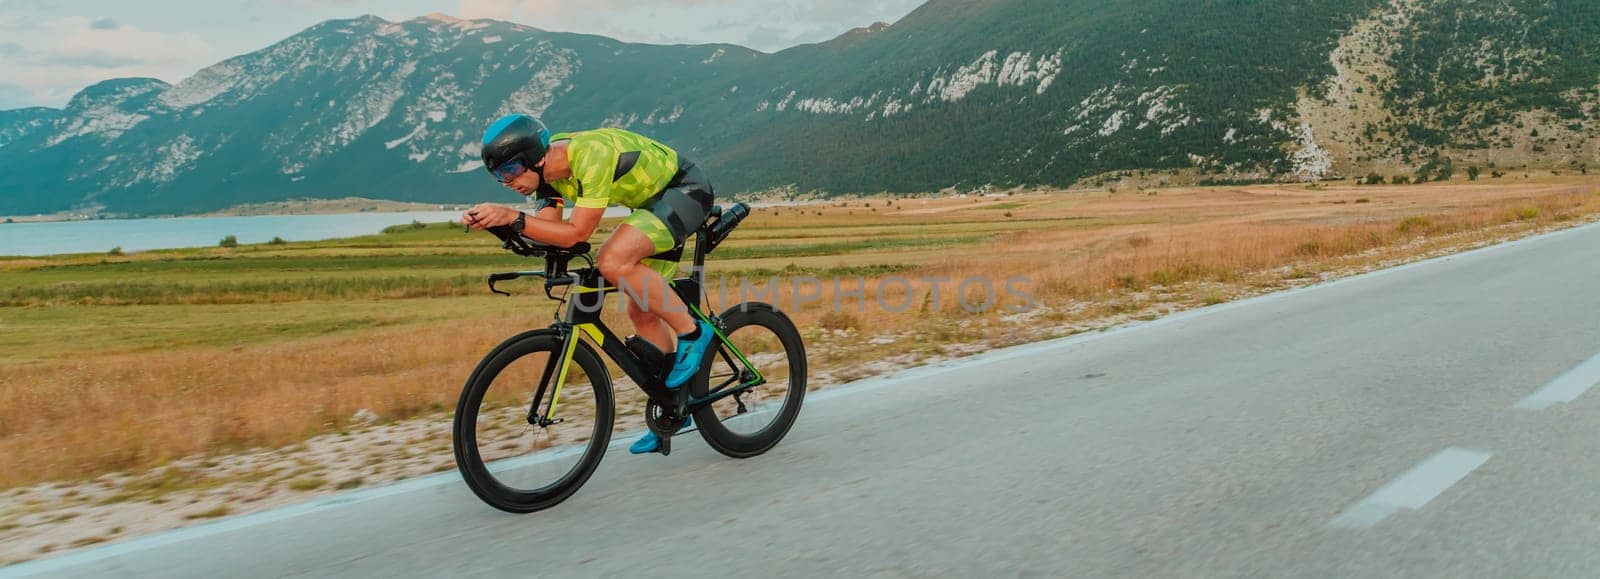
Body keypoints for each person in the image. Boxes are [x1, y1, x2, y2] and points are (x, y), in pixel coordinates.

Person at [462, 114, 714, 455]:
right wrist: (498, 224)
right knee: (641, 312)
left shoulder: (589, 156)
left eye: (509, 171)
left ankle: (694, 332)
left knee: (612, 260)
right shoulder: (547, 177)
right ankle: (675, 406)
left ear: (534, 158)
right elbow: (548, 232)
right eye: (498, 176)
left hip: (684, 191)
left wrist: (512, 217)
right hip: (650, 207)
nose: (507, 183)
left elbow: (578, 233)